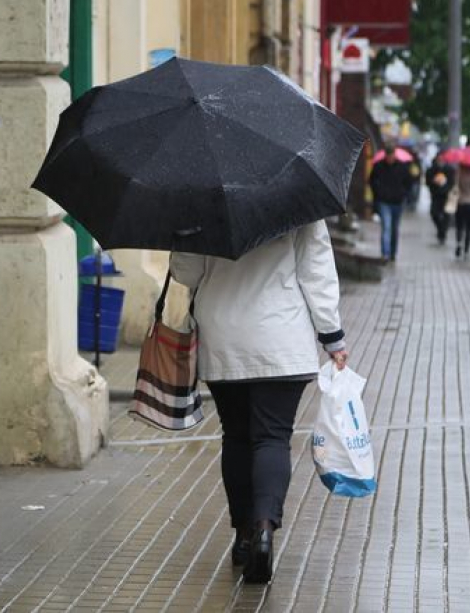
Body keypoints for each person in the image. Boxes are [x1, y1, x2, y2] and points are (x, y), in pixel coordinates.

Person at [170, 220, 348, 583]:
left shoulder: (202, 198)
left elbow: (186, 273)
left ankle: (243, 535)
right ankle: (265, 527)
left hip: (224, 336)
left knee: (236, 437)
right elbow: (316, 268)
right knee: (272, 438)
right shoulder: (299, 193)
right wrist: (332, 336)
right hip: (281, 336)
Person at [369, 142, 413, 262]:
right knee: (386, 227)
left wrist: (403, 194)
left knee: (394, 229)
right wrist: (379, 193)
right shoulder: (378, 166)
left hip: (397, 203)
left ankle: (393, 252)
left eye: (391, 155)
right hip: (384, 202)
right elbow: (372, 181)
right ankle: (385, 253)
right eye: (388, 155)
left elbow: (409, 182)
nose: (390, 158)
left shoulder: (402, 167)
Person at [425, 153, 455, 244]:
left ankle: (442, 232)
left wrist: (446, 187)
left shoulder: (450, 170)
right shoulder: (431, 170)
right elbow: (428, 181)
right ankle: (440, 230)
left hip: (446, 195)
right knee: (434, 213)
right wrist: (434, 182)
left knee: (447, 215)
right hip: (435, 195)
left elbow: (452, 182)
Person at [454, 164, 470, 258]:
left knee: (459, 226)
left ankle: (459, 244)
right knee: (469, 228)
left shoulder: (460, 175)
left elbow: (456, 187)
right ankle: (466, 250)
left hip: (460, 202)